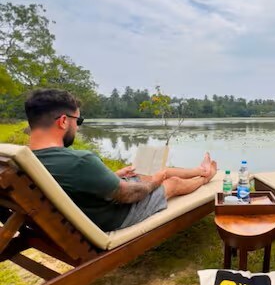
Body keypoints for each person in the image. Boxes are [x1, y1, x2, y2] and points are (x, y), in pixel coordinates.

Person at [25, 89, 218, 231]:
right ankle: (205, 177)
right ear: (63, 121)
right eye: (78, 121)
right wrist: (155, 181)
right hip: (114, 216)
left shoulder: (22, 160)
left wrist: (115, 174)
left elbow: (69, 182)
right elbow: (128, 195)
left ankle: (199, 170)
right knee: (172, 182)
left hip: (78, 214)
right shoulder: (80, 161)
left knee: (149, 170)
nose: (78, 127)